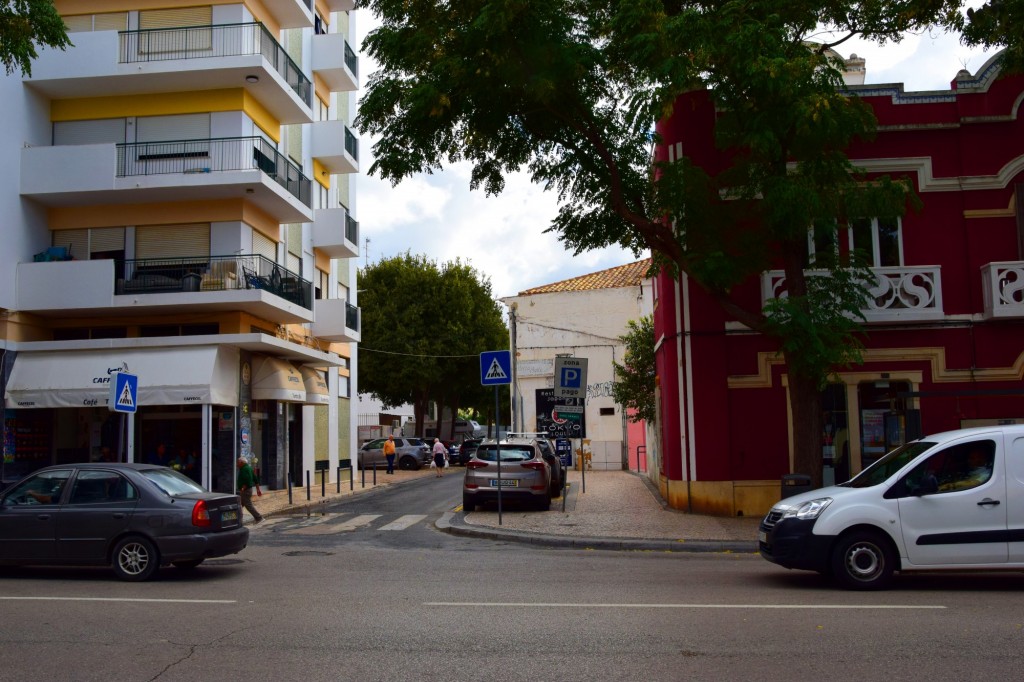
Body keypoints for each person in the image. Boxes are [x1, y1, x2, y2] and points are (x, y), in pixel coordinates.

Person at [236, 457, 264, 524]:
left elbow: (248, 480)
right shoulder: (249, 468)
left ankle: (259, 518)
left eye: (238, 463)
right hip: (248, 490)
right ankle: (238, 520)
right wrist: (258, 489)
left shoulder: (244, 469)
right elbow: (255, 479)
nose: (237, 464)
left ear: (242, 463)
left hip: (245, 491)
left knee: (248, 505)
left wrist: (243, 488)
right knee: (239, 505)